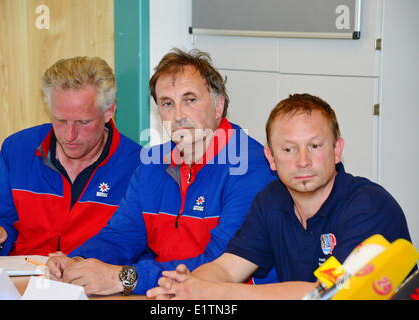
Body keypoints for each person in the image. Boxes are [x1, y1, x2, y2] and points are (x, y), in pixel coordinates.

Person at [46, 48, 278, 295]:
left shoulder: (250, 168)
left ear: (218, 105)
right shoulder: (152, 164)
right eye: (167, 104)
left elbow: (218, 268)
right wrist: (78, 262)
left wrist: (124, 278)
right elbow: (121, 236)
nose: (178, 116)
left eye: (190, 100)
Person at [147, 93, 414, 300]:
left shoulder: (369, 206)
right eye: (288, 149)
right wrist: (186, 285)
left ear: (337, 150)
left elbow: (327, 292)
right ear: (271, 158)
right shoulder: (272, 200)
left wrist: (213, 292)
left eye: (315, 146)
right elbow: (228, 268)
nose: (302, 161)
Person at [0, 56, 142, 257]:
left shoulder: (137, 165)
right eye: (60, 120)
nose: (69, 135)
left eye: (83, 122)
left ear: (108, 111)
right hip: (22, 281)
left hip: (94, 284)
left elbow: (140, 246)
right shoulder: (17, 149)